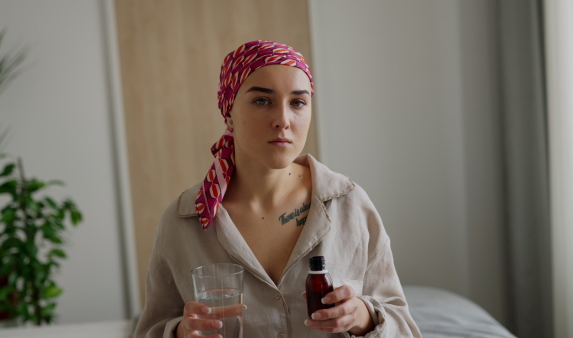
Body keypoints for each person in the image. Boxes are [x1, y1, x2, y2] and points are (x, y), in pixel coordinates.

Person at [134, 40, 421, 338]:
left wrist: (364, 318)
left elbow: (404, 327)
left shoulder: (350, 205)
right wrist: (179, 332)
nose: (283, 120)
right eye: (262, 101)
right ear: (229, 111)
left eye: (297, 102)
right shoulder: (183, 222)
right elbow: (149, 330)